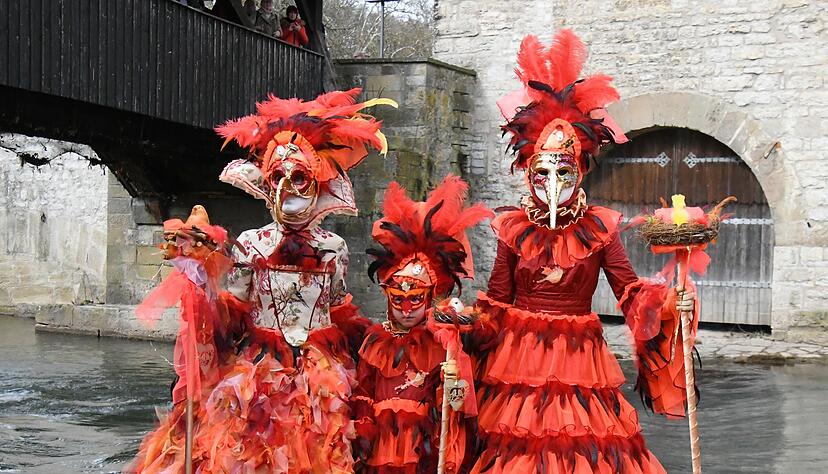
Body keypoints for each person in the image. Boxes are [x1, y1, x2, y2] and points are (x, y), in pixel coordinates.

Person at [128, 88, 396, 473]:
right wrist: (201, 281)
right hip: (260, 369)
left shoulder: (334, 247)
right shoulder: (252, 243)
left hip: (321, 373)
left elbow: (338, 310)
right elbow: (231, 314)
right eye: (278, 177)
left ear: (317, 183)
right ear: (267, 184)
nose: (287, 188)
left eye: (299, 177)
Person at [468, 30, 698, 473]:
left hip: (580, 358)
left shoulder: (599, 227)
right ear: (528, 171)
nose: (553, 182)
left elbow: (628, 291)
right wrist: (460, 330)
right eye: (543, 172)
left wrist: (670, 303)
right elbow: (497, 300)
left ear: (580, 169)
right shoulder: (513, 227)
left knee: (582, 447)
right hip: (518, 360)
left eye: (564, 170)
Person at [352, 175, 492, 473]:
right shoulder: (375, 340)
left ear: (430, 295)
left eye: (415, 298)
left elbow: (458, 403)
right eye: (397, 298)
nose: (405, 309)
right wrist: (363, 426)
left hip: (424, 448)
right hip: (381, 447)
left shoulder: (441, 342)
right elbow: (363, 389)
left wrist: (452, 385)